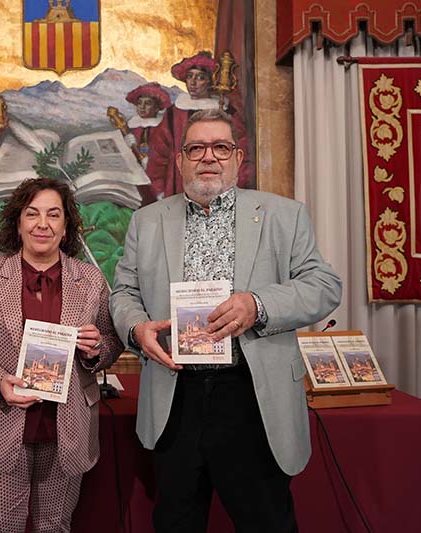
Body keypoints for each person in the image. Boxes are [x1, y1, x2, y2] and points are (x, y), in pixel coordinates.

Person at [109, 109, 342, 532]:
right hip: (175, 395)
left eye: (220, 147)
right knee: (176, 522)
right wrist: (137, 329)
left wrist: (258, 305)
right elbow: (124, 292)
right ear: (180, 160)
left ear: (238, 158)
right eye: (196, 148)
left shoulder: (284, 215)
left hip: (252, 395)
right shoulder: (146, 221)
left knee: (266, 523)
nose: (208, 157)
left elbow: (324, 286)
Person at [0, 177, 123, 533]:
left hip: (67, 428)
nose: (43, 224)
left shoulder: (90, 279)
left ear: (66, 226)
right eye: (32, 213)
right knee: (0, 527)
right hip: (1, 422)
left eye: (53, 215)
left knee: (54, 527)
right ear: (18, 223)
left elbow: (111, 341)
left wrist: (96, 350)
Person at [146, 51, 246, 199]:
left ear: (210, 81)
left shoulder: (227, 112)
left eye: (200, 78)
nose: (192, 83)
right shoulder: (174, 113)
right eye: (189, 76)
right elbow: (158, 153)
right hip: (178, 186)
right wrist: (159, 189)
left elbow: (241, 153)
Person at [122, 82, 171, 204]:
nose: (142, 107)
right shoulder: (133, 127)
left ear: (157, 107)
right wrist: (126, 145)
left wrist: (152, 161)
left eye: (148, 103)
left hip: (158, 176)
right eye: (139, 103)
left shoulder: (164, 128)